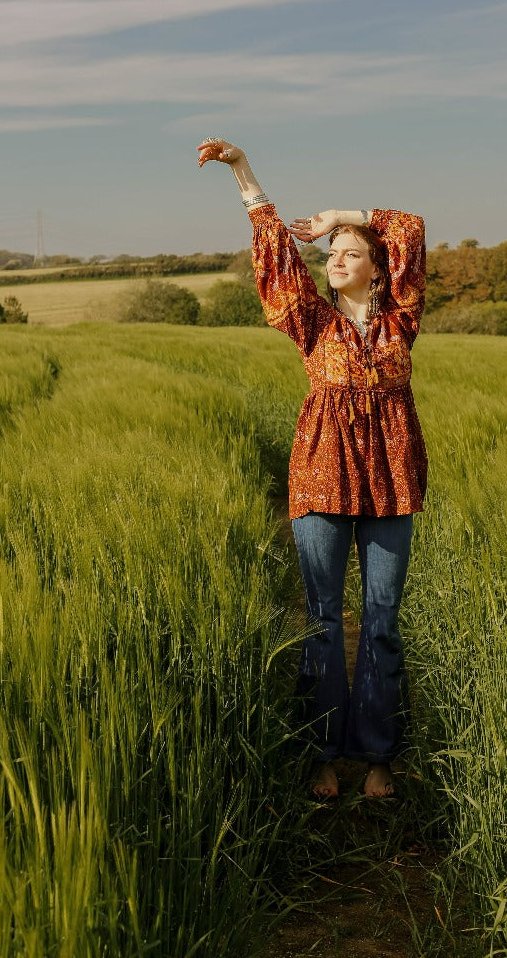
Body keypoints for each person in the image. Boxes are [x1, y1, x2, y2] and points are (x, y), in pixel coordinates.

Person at [198, 137, 428, 799]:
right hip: (321, 475)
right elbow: (274, 249)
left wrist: (340, 216)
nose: (335, 259)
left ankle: (378, 757)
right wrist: (243, 171)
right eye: (330, 254)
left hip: (391, 482)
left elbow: (409, 227)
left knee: (381, 622)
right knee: (324, 620)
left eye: (349, 253)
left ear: (379, 271)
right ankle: (322, 753)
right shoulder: (312, 322)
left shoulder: (402, 320)